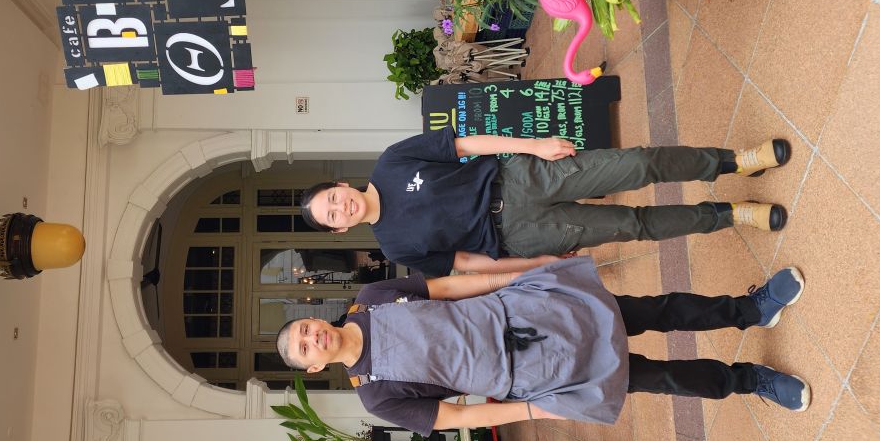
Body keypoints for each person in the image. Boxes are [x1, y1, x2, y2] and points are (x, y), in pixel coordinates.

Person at [275, 256, 810, 435]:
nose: (310, 338)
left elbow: (446, 288)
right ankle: (749, 381)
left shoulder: (372, 297)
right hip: (528, 375)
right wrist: (533, 410)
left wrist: (512, 280)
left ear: (312, 321)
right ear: (314, 366)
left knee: (652, 309)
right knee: (654, 378)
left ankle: (750, 310)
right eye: (304, 349)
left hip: (522, 309)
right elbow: (458, 419)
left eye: (303, 330)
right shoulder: (376, 396)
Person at [300, 129, 791, 277]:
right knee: (631, 225)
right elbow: (465, 264)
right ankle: (728, 216)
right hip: (519, 236)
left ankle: (734, 161)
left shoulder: (391, 162)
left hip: (516, 180)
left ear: (341, 186)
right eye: (332, 217)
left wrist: (531, 146)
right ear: (340, 231)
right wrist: (536, 263)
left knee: (635, 165)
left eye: (333, 199)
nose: (340, 208)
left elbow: (464, 147)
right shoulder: (396, 247)